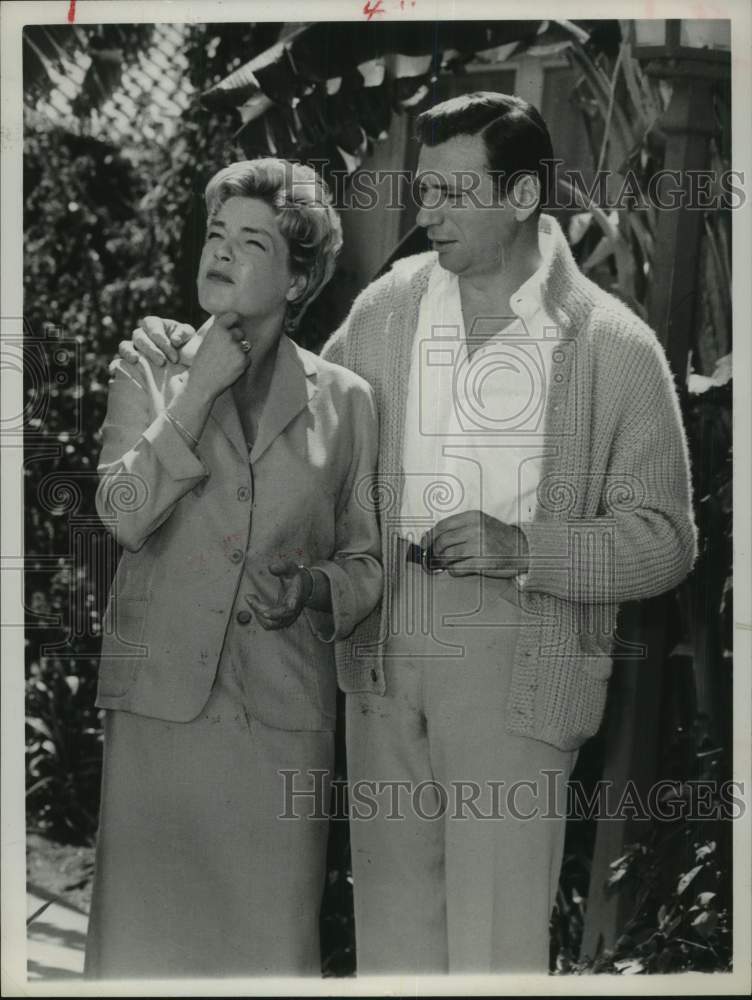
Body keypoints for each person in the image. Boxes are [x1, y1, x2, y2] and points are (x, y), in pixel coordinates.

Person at [122, 93, 697, 975]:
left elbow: (666, 538)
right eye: (423, 189)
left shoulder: (612, 345)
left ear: (522, 196)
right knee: (392, 945)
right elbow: (299, 417)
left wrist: (526, 547)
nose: (427, 213)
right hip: (383, 640)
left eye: (453, 193)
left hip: (521, 648)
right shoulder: (388, 307)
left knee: (496, 946)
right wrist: (187, 349)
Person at [85, 158, 382, 979]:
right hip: (160, 716)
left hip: (279, 725)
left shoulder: (348, 402)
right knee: (141, 958)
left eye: (252, 242)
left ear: (298, 280)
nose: (220, 250)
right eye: (217, 233)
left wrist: (314, 588)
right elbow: (121, 513)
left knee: (265, 960)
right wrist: (194, 396)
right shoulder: (149, 367)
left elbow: (367, 564)